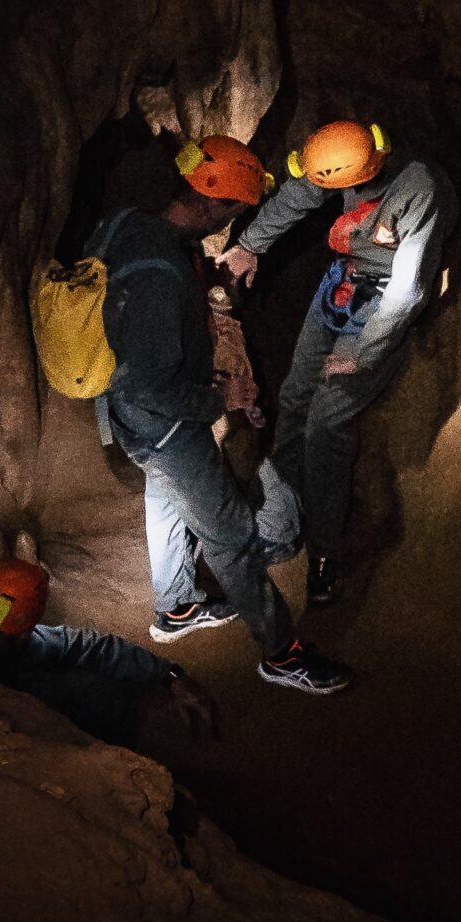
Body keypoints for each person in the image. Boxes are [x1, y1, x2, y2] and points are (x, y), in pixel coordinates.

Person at [98, 135, 354, 694]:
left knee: (162, 494)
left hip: (125, 415)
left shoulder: (125, 225)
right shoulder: (161, 275)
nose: (235, 219)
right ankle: (282, 655)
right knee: (232, 536)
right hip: (161, 424)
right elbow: (150, 383)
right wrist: (224, 401)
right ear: (213, 203)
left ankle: (177, 608)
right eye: (235, 209)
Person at [220, 120, 452, 607]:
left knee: (328, 422)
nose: (321, 190)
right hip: (342, 282)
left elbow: (409, 290)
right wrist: (251, 244)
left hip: (385, 295)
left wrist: (361, 354)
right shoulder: (341, 153)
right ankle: (279, 526)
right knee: (293, 398)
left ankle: (326, 554)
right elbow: (296, 195)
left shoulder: (419, 191)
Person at [0, 556, 219, 739]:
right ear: (25, 629)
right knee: (101, 693)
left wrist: (169, 675)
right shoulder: (29, 679)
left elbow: (93, 646)